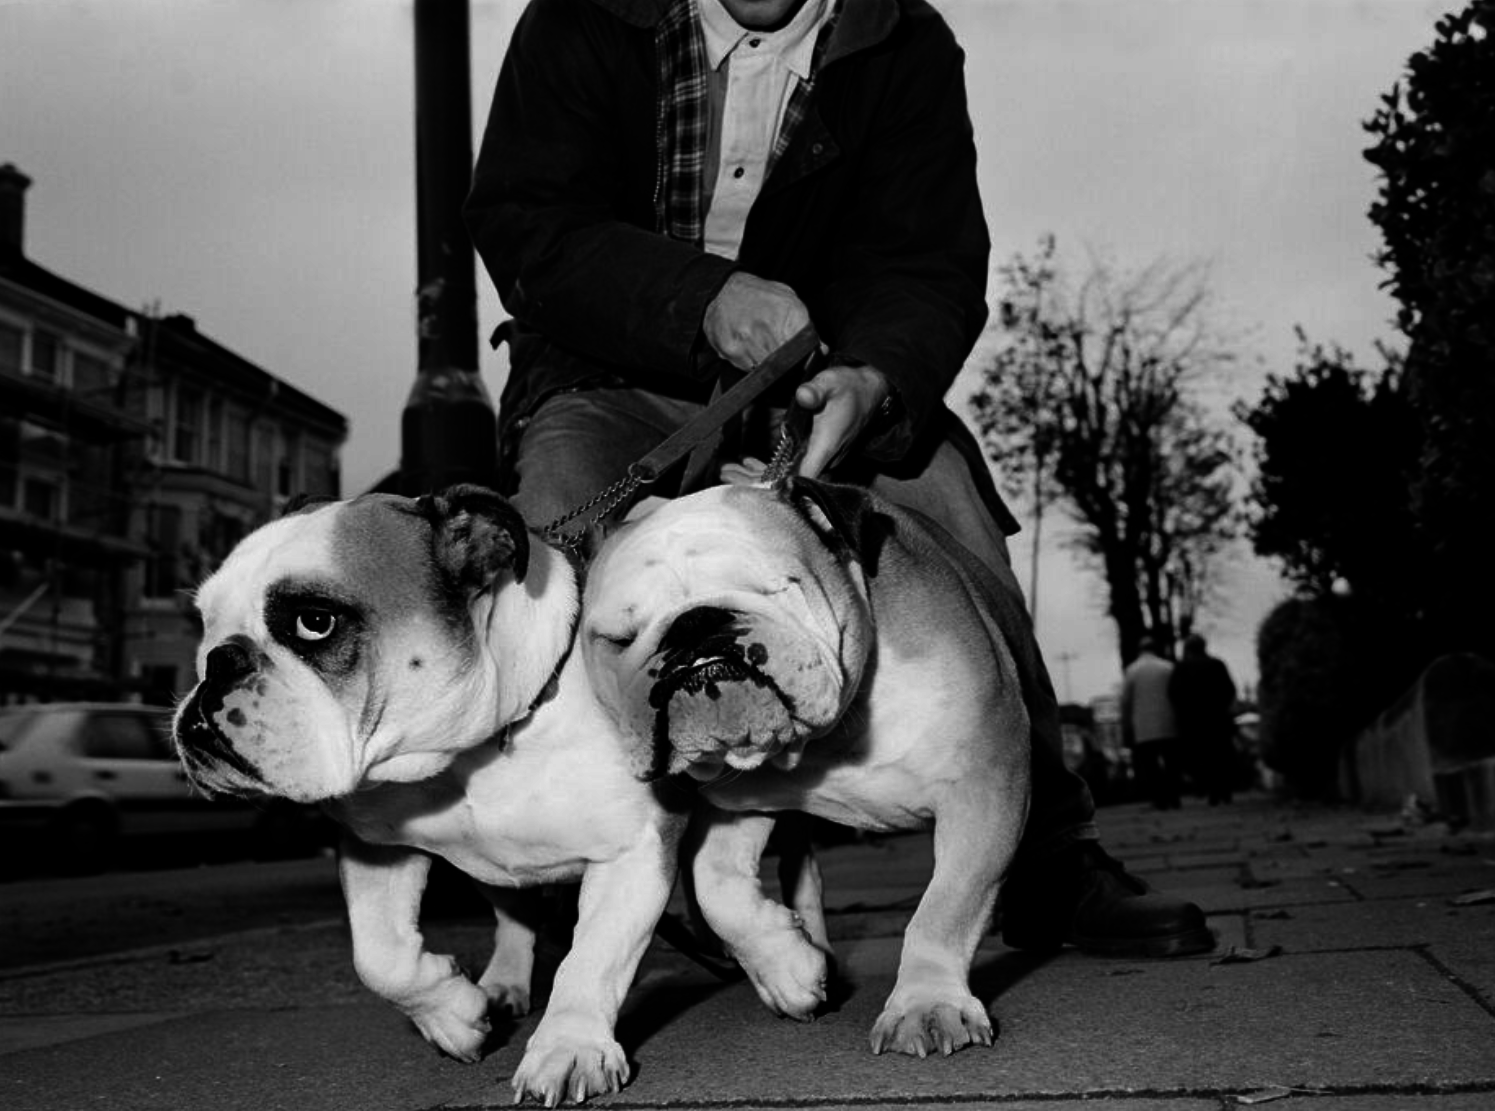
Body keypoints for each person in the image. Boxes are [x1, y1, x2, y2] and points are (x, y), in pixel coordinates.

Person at [464, 0, 1214, 958]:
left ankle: (1043, 853)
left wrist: (875, 380)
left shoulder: (906, 40)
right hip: (604, 377)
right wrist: (700, 300)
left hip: (819, 381)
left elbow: (926, 265)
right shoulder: (583, 15)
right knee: (548, 551)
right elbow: (525, 221)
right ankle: (578, 872)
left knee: (946, 503)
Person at [1168, 634, 1239, 805]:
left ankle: (1211, 791)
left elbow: (1174, 693)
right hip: (1217, 718)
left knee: (1202, 756)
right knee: (1221, 755)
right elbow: (1230, 689)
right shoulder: (1217, 664)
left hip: (1194, 721)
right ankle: (1225, 790)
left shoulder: (1182, 668)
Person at [1121, 637, 1181, 810]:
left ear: (1140, 650)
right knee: (1171, 762)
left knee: (1150, 764)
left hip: (1143, 724)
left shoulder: (1132, 670)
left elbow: (1126, 700)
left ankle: (1159, 799)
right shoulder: (1168, 667)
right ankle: (1174, 797)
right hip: (1169, 721)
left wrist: (1127, 723)